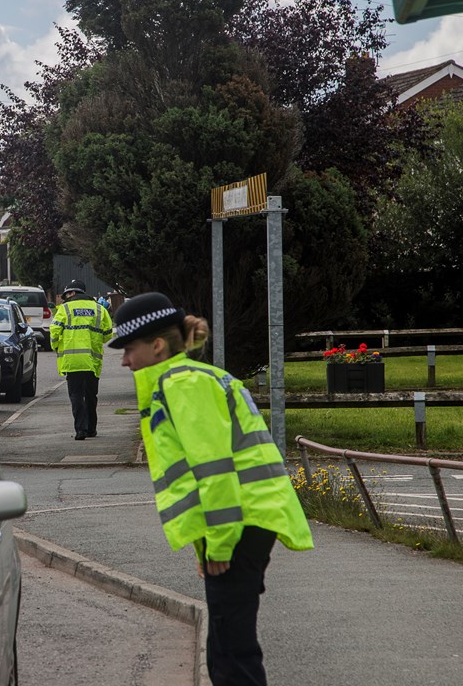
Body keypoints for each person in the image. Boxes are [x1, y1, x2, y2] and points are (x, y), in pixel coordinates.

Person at [109, 291, 312, 686]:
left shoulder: (182, 385)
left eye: (129, 348)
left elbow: (215, 472)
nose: (123, 360)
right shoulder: (185, 380)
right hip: (242, 523)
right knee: (223, 645)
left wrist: (217, 545)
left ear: (157, 345)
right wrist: (206, 545)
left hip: (238, 525)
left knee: (233, 653)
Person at [50, 279, 113, 440]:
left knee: (76, 396)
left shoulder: (64, 309)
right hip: (92, 361)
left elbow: (54, 332)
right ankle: (91, 429)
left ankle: (81, 430)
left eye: (67, 294)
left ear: (72, 293)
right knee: (91, 396)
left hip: (73, 362)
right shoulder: (99, 309)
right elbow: (107, 335)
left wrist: (55, 346)